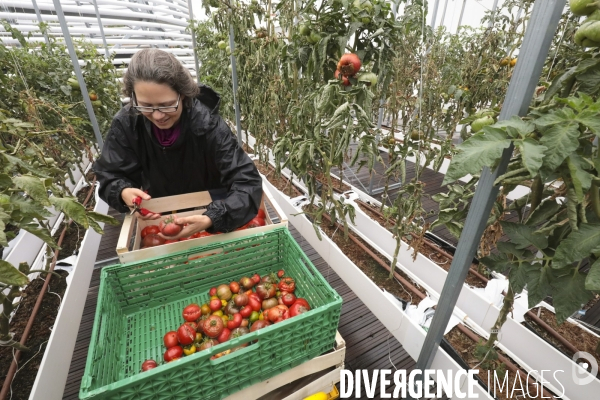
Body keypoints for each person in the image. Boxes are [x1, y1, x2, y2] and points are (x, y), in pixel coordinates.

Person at [93, 48, 263, 239]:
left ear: (183, 94)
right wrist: (122, 191)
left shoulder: (207, 125)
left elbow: (247, 181)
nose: (157, 115)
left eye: (167, 105)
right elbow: (110, 174)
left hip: (211, 206)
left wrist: (212, 217)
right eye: (146, 106)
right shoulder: (127, 124)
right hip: (162, 212)